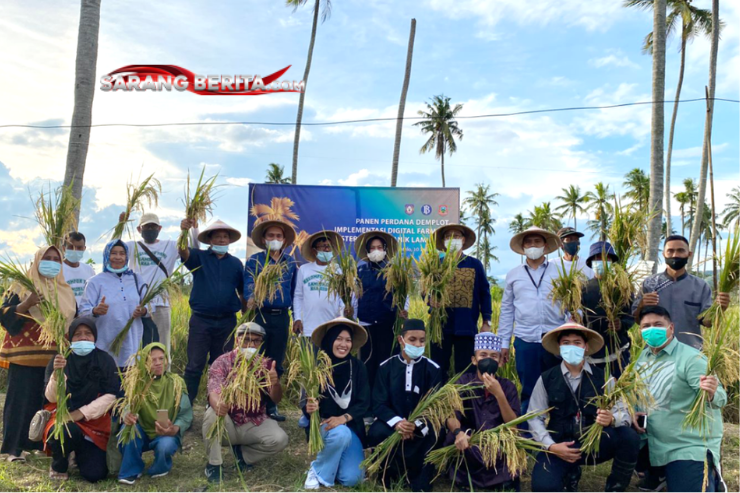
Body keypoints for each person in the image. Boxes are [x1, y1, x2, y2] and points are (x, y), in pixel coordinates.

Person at [528, 322, 640, 493]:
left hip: (594, 444)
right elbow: (534, 417)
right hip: (560, 445)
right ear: (559, 347)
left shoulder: (603, 377)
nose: (571, 347)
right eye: (566, 343)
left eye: (577, 342)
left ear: (586, 347)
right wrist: (551, 446)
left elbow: (623, 411)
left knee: (629, 437)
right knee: (544, 487)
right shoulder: (546, 379)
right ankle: (570, 474)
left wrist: (611, 418)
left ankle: (615, 488)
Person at [633, 306, 727, 493]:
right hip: (651, 439)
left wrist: (711, 392)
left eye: (658, 324)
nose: (652, 329)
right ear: (640, 331)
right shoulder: (642, 357)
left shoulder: (691, 359)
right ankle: (657, 474)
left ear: (671, 328)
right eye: (646, 326)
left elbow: (720, 398)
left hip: (684, 444)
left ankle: (711, 474)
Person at [0, 246, 76, 461]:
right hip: (24, 356)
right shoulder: (22, 286)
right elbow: (4, 315)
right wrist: (27, 304)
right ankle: (12, 450)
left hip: (53, 357)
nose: (51, 262)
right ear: (37, 260)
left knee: (44, 402)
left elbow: (71, 322)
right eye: (46, 258)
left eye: (56, 259)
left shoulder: (65, 291)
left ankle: (37, 445)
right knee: (19, 403)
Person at [203, 322, 288, 483]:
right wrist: (218, 403)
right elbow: (213, 389)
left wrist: (275, 383)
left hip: (253, 422)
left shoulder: (266, 365)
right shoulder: (222, 362)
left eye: (256, 341)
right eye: (246, 339)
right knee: (212, 413)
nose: (251, 344)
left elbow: (276, 398)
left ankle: (243, 456)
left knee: (280, 439)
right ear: (237, 340)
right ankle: (214, 465)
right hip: (227, 422)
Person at [367, 319, 442, 493]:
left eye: (422, 340)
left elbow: (435, 407)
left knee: (436, 435)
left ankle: (420, 479)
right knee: (376, 432)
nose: (418, 344)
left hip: (420, 426)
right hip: (392, 425)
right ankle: (387, 475)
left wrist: (415, 426)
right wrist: (398, 423)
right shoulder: (386, 367)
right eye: (412, 340)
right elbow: (378, 403)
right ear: (401, 340)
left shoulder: (433, 369)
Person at [498, 226, 567, 413]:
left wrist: (571, 331)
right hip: (525, 340)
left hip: (555, 340)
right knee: (529, 390)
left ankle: (555, 433)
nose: (533, 245)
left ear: (545, 246)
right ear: (523, 247)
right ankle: (529, 436)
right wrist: (504, 343)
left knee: (558, 388)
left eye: (537, 241)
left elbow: (571, 303)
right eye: (529, 242)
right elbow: (507, 310)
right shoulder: (514, 275)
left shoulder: (560, 272)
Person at [44, 317, 120, 482]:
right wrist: (57, 374)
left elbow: (112, 395)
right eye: (77, 334)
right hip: (63, 418)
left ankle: (77, 455)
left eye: (88, 333)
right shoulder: (60, 359)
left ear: (95, 337)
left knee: (95, 474)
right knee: (64, 431)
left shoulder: (105, 360)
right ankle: (59, 464)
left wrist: (80, 413)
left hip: (93, 421)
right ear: (70, 338)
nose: (83, 337)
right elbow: (50, 397)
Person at [443, 332, 521, 491]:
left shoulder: (507, 387)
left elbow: (513, 426)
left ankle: (502, 479)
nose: (488, 359)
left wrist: (499, 394)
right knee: (459, 444)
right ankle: (467, 478)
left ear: (499, 361)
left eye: (493, 356)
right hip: (469, 439)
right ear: (474, 360)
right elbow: (451, 415)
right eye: (483, 355)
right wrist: (458, 432)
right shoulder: (463, 382)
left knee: (506, 449)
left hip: (497, 442)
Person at [178, 218, 245, 402]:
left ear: (229, 241)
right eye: (218, 237)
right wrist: (183, 232)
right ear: (210, 240)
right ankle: (186, 407)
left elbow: (242, 292)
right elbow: (182, 252)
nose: (222, 240)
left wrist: (246, 317)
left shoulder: (236, 264)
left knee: (222, 365)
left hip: (227, 322)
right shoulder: (199, 257)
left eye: (225, 237)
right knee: (194, 365)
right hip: (201, 321)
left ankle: (215, 406)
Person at [303, 317, 371, 489]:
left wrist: (343, 418)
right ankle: (317, 470)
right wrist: (310, 408)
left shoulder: (358, 367)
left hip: (351, 426)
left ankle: (334, 460)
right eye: (338, 339)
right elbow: (306, 403)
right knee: (340, 434)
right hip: (324, 426)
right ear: (329, 340)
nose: (344, 344)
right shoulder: (317, 368)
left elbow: (364, 402)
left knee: (351, 479)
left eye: (348, 340)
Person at [632, 235, 730, 349]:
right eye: (670, 251)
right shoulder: (649, 284)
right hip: (655, 353)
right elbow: (637, 320)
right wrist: (641, 305)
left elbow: (707, 323)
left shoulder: (700, 286)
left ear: (689, 254)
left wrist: (720, 308)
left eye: (680, 250)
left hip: (690, 352)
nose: (675, 255)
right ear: (664, 254)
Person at [244, 219, 297, 421]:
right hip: (260, 316)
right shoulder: (255, 261)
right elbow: (249, 283)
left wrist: (296, 315)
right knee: (254, 360)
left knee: (275, 363)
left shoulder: (290, 262)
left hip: (281, 317)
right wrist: (251, 297)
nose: (275, 239)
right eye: (271, 236)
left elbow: (293, 290)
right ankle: (250, 404)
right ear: (264, 239)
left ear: (284, 240)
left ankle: (270, 406)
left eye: (278, 236)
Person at [118, 343, 192, 485]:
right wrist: (127, 416)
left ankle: (160, 467)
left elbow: (185, 414)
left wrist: (174, 429)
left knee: (166, 445)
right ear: (144, 362)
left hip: (165, 432)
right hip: (143, 431)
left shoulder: (176, 382)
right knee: (126, 432)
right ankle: (132, 469)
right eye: (152, 360)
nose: (158, 363)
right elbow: (126, 406)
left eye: (161, 358)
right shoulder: (136, 382)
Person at [125, 212, 192, 359]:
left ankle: (163, 376)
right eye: (146, 227)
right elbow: (111, 251)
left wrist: (187, 230)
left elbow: (190, 250)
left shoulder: (170, 246)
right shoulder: (131, 246)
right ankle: (137, 376)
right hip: (137, 304)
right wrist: (121, 225)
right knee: (136, 344)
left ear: (160, 228)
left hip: (161, 303)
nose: (150, 229)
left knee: (162, 344)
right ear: (139, 230)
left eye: (153, 226)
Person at [430, 224, 492, 378]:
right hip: (440, 327)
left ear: (463, 240)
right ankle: (437, 399)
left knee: (465, 369)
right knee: (438, 367)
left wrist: (486, 321)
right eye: (448, 237)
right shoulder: (436, 265)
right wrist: (429, 300)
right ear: (443, 241)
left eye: (456, 236)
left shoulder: (474, 264)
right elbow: (426, 291)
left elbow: (484, 293)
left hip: (466, 326)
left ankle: (464, 401)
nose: (452, 240)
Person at [79, 240, 147, 368]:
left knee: (129, 381)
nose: (118, 257)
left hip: (132, 344)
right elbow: (82, 312)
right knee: (108, 381)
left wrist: (143, 311)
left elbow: (150, 306)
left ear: (126, 256)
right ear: (106, 256)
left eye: (122, 253)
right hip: (105, 344)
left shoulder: (136, 279)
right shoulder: (95, 282)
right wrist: (95, 311)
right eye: (113, 253)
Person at [355, 230, 407, 386]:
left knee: (385, 362)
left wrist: (404, 311)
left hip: (387, 324)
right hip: (366, 324)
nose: (376, 250)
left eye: (379, 247)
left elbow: (405, 294)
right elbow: (354, 296)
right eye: (372, 248)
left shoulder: (394, 271)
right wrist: (350, 313)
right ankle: (367, 401)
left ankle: (383, 401)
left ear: (385, 250)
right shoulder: (360, 271)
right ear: (367, 251)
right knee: (367, 362)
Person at [582, 242, 634, 379]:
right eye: (598, 258)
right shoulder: (583, 289)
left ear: (613, 261)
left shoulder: (623, 287)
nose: (602, 262)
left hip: (617, 352)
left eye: (607, 258)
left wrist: (621, 324)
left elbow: (631, 315)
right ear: (591, 262)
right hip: (592, 351)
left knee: (618, 394)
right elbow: (579, 319)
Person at [293, 230, 345, 338]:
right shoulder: (304, 270)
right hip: (308, 327)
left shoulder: (337, 270)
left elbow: (342, 296)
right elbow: (298, 296)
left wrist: (343, 315)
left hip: (331, 325)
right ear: (314, 250)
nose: (327, 249)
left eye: (329, 246)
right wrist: (297, 318)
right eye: (323, 246)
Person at [62, 231, 95, 305]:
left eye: (79, 248)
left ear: (84, 249)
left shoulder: (89, 270)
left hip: (86, 315)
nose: (75, 250)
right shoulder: (57, 270)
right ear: (64, 248)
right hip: (65, 315)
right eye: (71, 247)